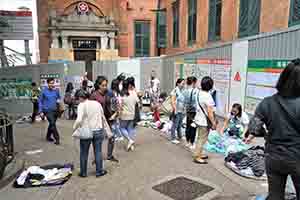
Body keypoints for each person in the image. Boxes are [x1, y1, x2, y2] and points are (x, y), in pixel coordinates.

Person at [245, 59, 300, 200]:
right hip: (297, 157)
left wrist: (266, 135)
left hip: (273, 157)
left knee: (275, 196)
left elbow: (253, 128)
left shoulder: (267, 103)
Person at [73, 89, 111, 178]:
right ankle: (99, 171)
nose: (77, 101)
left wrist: (74, 127)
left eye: (77, 99)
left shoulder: (81, 105)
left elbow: (79, 120)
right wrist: (107, 130)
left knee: (84, 152)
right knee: (98, 151)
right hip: (98, 130)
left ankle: (83, 172)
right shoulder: (97, 103)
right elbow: (103, 117)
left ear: (80, 98)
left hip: (87, 131)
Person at [90, 76, 118, 163]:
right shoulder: (94, 95)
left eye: (106, 85)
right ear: (98, 85)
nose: (105, 87)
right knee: (98, 139)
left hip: (109, 119)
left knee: (111, 137)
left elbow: (115, 104)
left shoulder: (110, 93)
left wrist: (115, 114)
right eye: (103, 85)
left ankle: (109, 155)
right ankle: (97, 157)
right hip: (98, 120)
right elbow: (90, 108)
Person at [193, 76, 217, 164]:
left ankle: (199, 153)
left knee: (200, 138)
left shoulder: (199, 93)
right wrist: (213, 123)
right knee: (201, 139)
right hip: (204, 121)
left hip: (198, 118)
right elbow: (210, 113)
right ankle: (197, 156)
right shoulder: (208, 96)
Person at [39, 78, 61, 145]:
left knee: (52, 124)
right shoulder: (43, 91)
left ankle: (48, 137)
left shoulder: (56, 91)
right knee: (52, 123)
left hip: (55, 110)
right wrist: (40, 111)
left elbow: (59, 98)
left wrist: (58, 100)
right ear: (47, 84)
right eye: (50, 83)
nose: (52, 84)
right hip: (47, 111)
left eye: (53, 83)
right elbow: (40, 101)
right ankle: (57, 138)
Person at [119, 77, 140, 151]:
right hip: (132, 114)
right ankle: (131, 145)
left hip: (124, 114)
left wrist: (118, 113)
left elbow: (120, 105)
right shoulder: (133, 92)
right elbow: (137, 101)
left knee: (121, 128)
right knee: (130, 129)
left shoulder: (122, 94)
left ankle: (129, 140)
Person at [184, 76, 198, 150]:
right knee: (193, 127)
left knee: (188, 126)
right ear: (193, 83)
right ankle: (192, 143)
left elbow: (184, 101)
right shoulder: (195, 91)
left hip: (188, 110)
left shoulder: (185, 90)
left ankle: (187, 142)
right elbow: (196, 102)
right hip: (194, 111)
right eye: (195, 82)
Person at [170, 78, 185, 144]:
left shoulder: (181, 90)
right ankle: (173, 138)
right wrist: (175, 110)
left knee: (179, 124)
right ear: (178, 83)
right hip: (176, 110)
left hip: (181, 110)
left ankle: (179, 136)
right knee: (175, 124)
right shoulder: (175, 90)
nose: (183, 85)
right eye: (182, 83)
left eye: (184, 84)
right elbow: (172, 101)